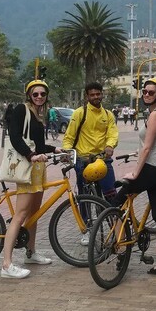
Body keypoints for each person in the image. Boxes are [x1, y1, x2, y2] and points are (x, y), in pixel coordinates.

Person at [111, 78, 156, 276]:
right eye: (145, 91)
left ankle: (121, 249)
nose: (146, 94)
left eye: (151, 92)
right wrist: (135, 155)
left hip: (150, 170)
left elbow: (147, 147)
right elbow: (152, 145)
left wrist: (135, 173)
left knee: (115, 203)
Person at [1, 79, 62, 279]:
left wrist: (56, 150)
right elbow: (15, 137)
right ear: (29, 95)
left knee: (34, 213)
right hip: (26, 167)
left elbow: (39, 145)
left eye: (42, 94)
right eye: (35, 94)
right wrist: (30, 155)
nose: (39, 97)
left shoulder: (39, 115)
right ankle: (6, 264)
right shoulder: (22, 110)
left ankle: (30, 253)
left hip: (37, 168)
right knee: (21, 214)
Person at [62, 82, 119, 244]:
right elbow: (69, 136)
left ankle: (115, 226)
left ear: (102, 94)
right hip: (84, 162)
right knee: (85, 198)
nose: (95, 97)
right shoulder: (80, 113)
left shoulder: (108, 115)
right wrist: (67, 151)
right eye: (92, 95)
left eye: (98, 94)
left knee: (111, 195)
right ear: (87, 96)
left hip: (103, 161)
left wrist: (110, 145)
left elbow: (112, 133)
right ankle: (86, 229)